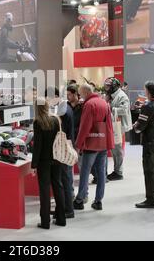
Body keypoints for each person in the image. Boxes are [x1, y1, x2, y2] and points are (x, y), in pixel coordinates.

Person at [73, 84, 114, 211]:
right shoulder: (103, 103)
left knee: (85, 171)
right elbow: (109, 125)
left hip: (91, 143)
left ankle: (80, 199)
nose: (80, 97)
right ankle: (98, 201)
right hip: (102, 143)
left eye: (80, 94)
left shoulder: (89, 104)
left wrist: (78, 145)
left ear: (85, 92)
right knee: (101, 172)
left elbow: (85, 126)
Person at [32, 97, 66, 229]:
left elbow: (37, 146)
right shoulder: (55, 120)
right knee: (58, 187)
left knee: (45, 190)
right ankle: (61, 219)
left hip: (43, 162)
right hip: (56, 159)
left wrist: (34, 165)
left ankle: (45, 222)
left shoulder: (38, 122)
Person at [45, 87, 75, 219]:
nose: (47, 101)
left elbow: (60, 132)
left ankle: (67, 210)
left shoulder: (62, 111)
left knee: (64, 180)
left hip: (63, 148)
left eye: (48, 98)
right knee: (65, 179)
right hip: (66, 146)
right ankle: (63, 208)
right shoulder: (65, 107)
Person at [104, 77, 132, 181]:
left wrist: (111, 108)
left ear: (114, 86)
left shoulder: (122, 96)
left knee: (117, 149)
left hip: (119, 125)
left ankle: (119, 172)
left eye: (108, 86)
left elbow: (124, 110)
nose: (107, 88)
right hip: (114, 124)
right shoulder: (110, 95)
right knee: (114, 149)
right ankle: (116, 170)